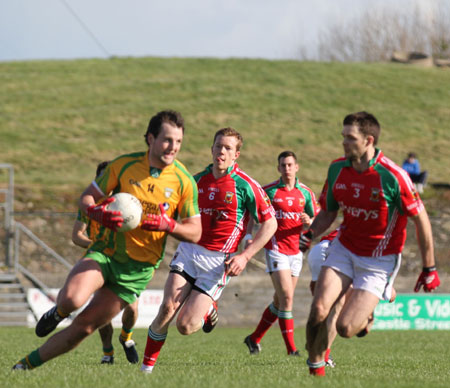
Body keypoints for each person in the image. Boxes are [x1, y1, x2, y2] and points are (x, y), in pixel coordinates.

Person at [13, 110, 202, 370]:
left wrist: (168, 225)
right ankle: (58, 312)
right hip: (106, 252)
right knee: (71, 299)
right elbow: (87, 197)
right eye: (167, 140)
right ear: (150, 138)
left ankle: (23, 367)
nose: (173, 147)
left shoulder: (184, 181)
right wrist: (97, 213)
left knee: (85, 327)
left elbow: (195, 232)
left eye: (179, 142)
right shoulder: (122, 165)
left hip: (136, 271)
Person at [300, 111, 440, 376]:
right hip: (344, 248)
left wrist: (429, 268)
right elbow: (329, 211)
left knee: (345, 328)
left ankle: (367, 312)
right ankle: (315, 371)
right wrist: (310, 234)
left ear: (369, 140)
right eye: (343, 137)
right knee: (319, 308)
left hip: (379, 261)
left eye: (350, 138)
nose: (344, 142)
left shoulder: (393, 176)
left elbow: (421, 221)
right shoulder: (337, 169)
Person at [140, 127, 278, 374]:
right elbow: (171, 210)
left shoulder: (246, 186)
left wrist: (245, 256)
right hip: (189, 252)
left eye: (227, 148)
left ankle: (208, 310)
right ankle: (145, 370)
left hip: (219, 263)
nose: (221, 152)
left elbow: (271, 223)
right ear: (211, 149)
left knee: (185, 325)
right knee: (168, 308)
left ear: (237, 154)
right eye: (218, 146)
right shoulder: (196, 181)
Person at [243, 151, 319, 356]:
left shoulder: (305, 193)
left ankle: (254, 338)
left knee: (280, 301)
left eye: (290, 165)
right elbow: (251, 211)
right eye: (283, 165)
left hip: (296, 251)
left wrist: (309, 222)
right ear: (278, 168)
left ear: (297, 167)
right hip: (275, 249)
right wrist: (247, 235)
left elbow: (317, 218)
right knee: (286, 297)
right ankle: (291, 350)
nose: (287, 169)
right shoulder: (269, 191)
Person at [71, 160, 140, 364]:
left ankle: (126, 338)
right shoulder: (89, 206)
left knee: (133, 307)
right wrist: (97, 246)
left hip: (125, 262)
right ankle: (107, 352)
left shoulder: (127, 204)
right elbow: (76, 236)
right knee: (103, 313)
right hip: (100, 263)